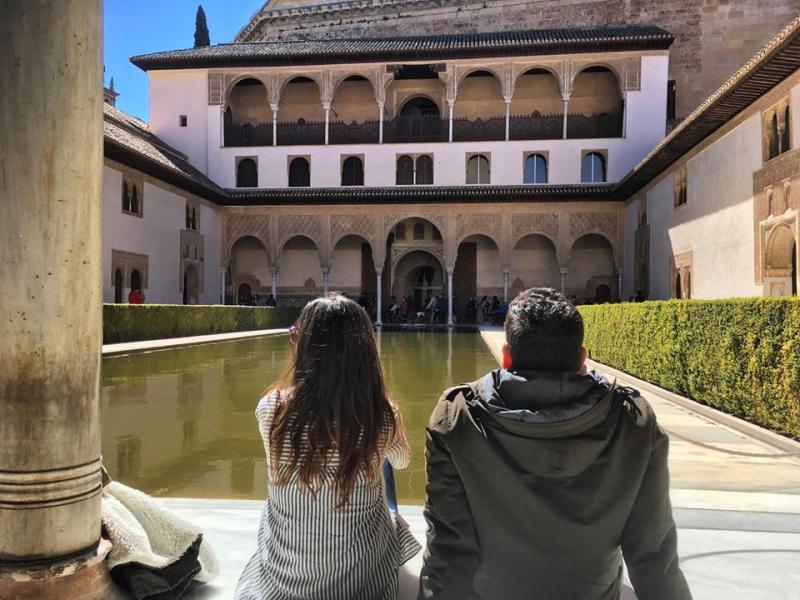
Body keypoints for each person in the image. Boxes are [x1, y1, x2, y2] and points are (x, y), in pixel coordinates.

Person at [419, 288, 692, 600]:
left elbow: (449, 553)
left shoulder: (458, 419)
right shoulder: (633, 423)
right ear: (581, 357)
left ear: (507, 356)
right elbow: (654, 559)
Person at [236, 294, 420, 600]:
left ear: (305, 346)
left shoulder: (270, 408)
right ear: (364, 351)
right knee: (382, 462)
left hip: (283, 583)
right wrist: (388, 421)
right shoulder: (380, 414)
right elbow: (402, 461)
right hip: (360, 585)